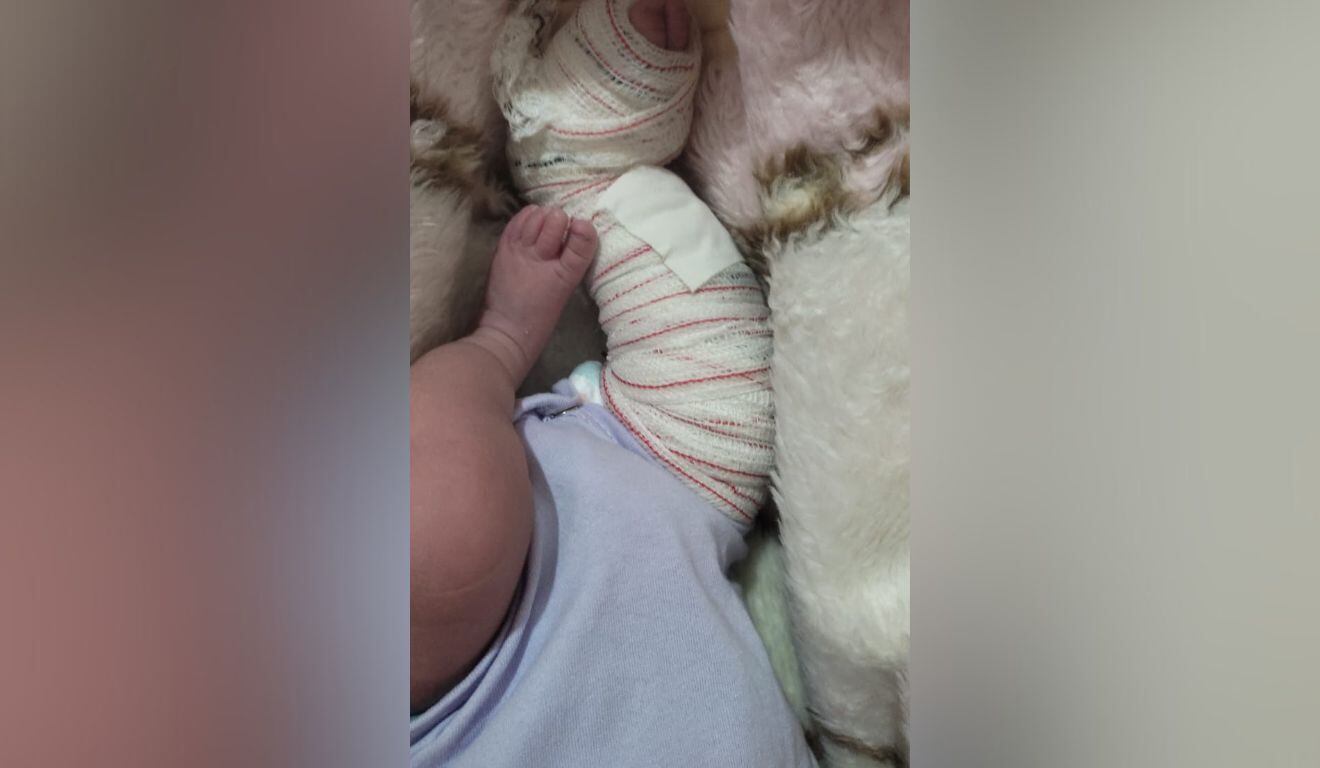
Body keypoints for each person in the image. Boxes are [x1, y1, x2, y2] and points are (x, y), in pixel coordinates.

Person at [410, 0, 813, 764]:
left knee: (431, 533)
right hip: (667, 482)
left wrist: (504, 339)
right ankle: (581, 172)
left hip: (649, 473)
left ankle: (584, 185)